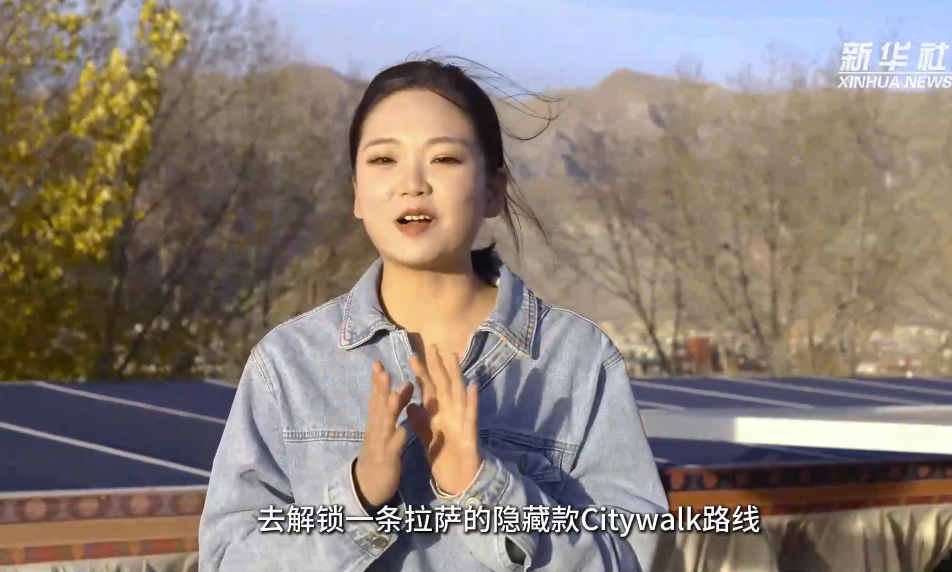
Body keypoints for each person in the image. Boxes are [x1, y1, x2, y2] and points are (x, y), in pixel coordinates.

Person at [198, 58, 669, 572]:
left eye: (444, 158)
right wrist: (357, 499)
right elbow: (228, 558)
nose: (412, 183)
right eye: (383, 160)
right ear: (357, 193)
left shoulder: (575, 359)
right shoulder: (290, 365)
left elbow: (631, 556)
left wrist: (480, 486)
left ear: (492, 190)